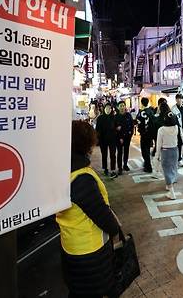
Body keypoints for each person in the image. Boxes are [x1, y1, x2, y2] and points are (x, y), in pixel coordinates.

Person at [56, 120, 121, 298]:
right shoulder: (81, 178)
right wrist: (116, 226)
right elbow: (103, 218)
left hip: (70, 245)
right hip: (90, 253)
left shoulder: (59, 171)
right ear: (85, 144)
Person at [156, 112, 182, 200]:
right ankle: (169, 185)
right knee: (173, 168)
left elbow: (159, 144)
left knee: (166, 171)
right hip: (175, 150)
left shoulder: (161, 130)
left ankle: (172, 192)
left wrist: (157, 155)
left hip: (165, 151)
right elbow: (180, 137)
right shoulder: (176, 127)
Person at [95, 104, 118, 178]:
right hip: (103, 140)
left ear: (111, 109)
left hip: (112, 140)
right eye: (106, 108)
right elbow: (97, 129)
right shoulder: (100, 118)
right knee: (104, 155)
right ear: (104, 109)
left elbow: (117, 127)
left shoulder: (114, 118)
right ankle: (105, 168)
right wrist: (97, 139)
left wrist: (116, 129)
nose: (108, 110)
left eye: (109, 108)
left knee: (113, 154)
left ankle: (113, 169)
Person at [136, 98, 155, 173]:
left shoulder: (141, 112)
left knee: (144, 151)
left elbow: (138, 122)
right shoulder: (151, 111)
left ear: (142, 103)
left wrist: (140, 130)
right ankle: (147, 164)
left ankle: (148, 166)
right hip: (150, 134)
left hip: (144, 134)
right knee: (147, 149)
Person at [115, 101, 134, 174]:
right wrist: (119, 137)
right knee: (119, 152)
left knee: (126, 151)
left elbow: (132, 126)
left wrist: (130, 135)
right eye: (121, 106)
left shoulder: (128, 115)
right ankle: (120, 167)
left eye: (123, 106)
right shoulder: (116, 117)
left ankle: (125, 165)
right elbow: (115, 128)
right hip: (119, 138)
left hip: (127, 137)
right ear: (118, 107)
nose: (122, 107)